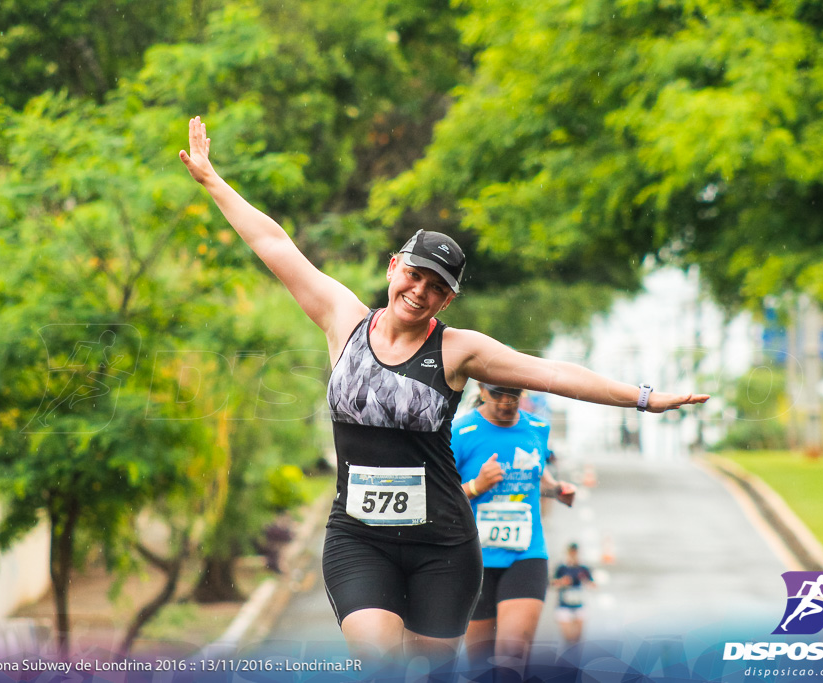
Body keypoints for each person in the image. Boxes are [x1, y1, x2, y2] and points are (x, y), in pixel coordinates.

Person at [179, 116, 709, 665]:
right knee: (379, 661)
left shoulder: (459, 350)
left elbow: (554, 372)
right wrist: (214, 181)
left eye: (437, 288)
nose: (420, 291)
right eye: (414, 275)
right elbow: (275, 243)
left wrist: (644, 398)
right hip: (359, 538)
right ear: (393, 268)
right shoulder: (342, 320)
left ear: (447, 301)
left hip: (443, 546)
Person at [452, 383, 576, 672]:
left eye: (514, 393)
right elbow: (438, 497)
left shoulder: (537, 427)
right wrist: (476, 486)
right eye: (498, 393)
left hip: (526, 554)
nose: (506, 401)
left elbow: (536, 471)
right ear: (482, 390)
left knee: (512, 659)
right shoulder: (459, 432)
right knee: (480, 667)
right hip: (474, 559)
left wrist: (556, 489)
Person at [552, 543, 595, 646]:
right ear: (568, 552)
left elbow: (593, 584)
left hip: (579, 604)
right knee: (568, 637)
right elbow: (552, 583)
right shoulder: (562, 567)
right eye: (572, 551)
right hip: (564, 605)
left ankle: (575, 658)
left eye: (575, 552)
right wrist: (562, 582)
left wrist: (586, 582)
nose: (573, 554)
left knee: (578, 638)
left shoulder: (583, 568)